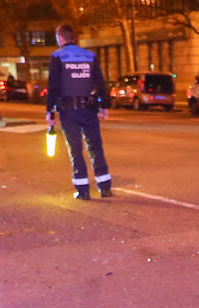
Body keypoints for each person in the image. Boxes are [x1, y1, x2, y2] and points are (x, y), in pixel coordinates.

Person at [45, 23, 112, 200]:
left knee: (75, 150)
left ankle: (83, 190)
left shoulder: (57, 57)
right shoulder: (90, 56)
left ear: (60, 38)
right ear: (73, 37)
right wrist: (104, 105)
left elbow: (53, 86)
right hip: (89, 109)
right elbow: (100, 82)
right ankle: (105, 186)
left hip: (68, 111)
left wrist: (49, 111)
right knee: (96, 147)